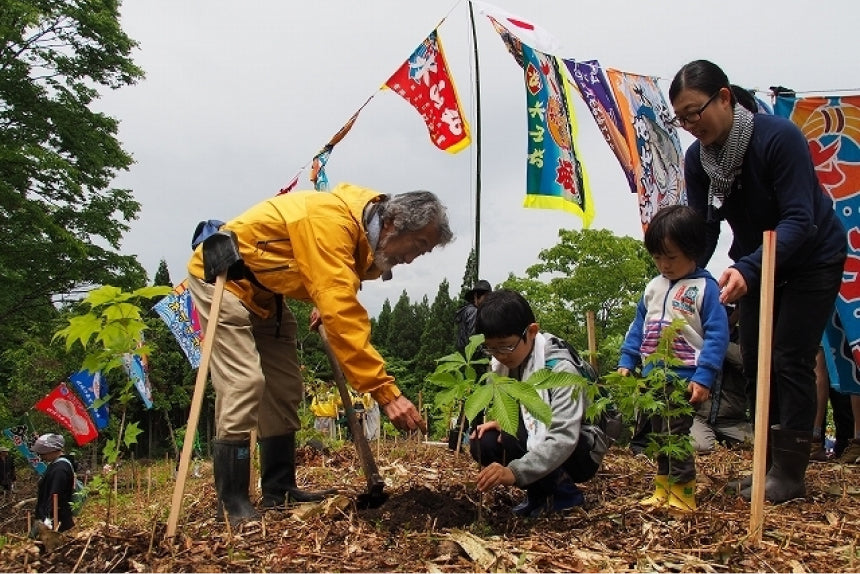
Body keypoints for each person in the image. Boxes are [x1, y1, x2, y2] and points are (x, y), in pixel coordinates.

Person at [186, 182, 453, 524]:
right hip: (224, 279)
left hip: (268, 295)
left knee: (285, 389)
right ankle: (232, 502)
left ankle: (279, 489)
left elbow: (337, 279)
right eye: (417, 245)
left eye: (423, 252)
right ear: (393, 223)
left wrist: (322, 301)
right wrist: (386, 393)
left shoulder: (364, 234)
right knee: (244, 383)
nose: (412, 258)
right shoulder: (330, 221)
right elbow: (342, 309)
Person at [669, 60, 847, 503]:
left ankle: (789, 474)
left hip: (811, 258)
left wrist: (747, 270)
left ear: (724, 97)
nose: (691, 125)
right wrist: (684, 274)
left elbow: (799, 220)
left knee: (789, 357)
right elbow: (706, 228)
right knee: (754, 360)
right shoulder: (699, 160)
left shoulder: (777, 138)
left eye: (696, 111)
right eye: (682, 118)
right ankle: (766, 465)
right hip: (753, 263)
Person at [618, 204, 729, 511]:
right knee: (659, 434)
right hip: (654, 376)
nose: (663, 264)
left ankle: (683, 493)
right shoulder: (653, 287)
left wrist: (705, 375)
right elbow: (638, 326)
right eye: (657, 257)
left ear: (693, 251)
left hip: (684, 376)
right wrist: (628, 360)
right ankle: (663, 486)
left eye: (671, 257)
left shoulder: (706, 288)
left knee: (675, 435)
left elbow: (718, 336)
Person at [469, 289, 608, 518]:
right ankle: (538, 496)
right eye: (491, 348)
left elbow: (564, 435)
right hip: (544, 434)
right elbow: (520, 411)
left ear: (531, 332)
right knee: (484, 441)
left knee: (516, 433)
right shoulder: (505, 365)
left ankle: (564, 495)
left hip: (581, 447)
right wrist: (500, 421)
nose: (500, 355)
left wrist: (514, 471)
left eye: (506, 346)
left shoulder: (559, 367)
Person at [31, 433, 75, 533]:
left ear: (52, 450)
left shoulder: (60, 468)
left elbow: (55, 495)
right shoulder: (55, 465)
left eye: (43, 453)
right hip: (50, 516)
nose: (41, 456)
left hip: (56, 519)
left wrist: (47, 518)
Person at [455, 279, 492, 354]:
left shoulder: (466, 310)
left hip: (464, 355)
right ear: (476, 296)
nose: (488, 301)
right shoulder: (474, 312)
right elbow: (473, 340)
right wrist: (487, 354)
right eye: (486, 297)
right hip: (473, 358)